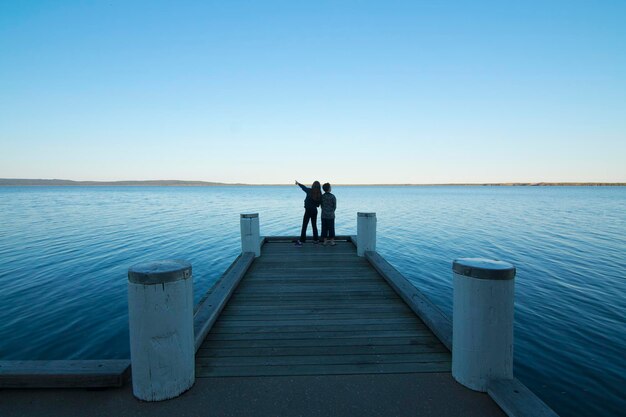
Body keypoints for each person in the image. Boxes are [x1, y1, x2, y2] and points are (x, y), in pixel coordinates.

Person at [294, 180, 322, 246]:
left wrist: (298, 183)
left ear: (313, 185)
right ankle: (316, 240)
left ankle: (302, 241)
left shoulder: (309, 191)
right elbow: (318, 204)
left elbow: (303, 187)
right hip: (314, 211)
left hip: (308, 210)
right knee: (314, 225)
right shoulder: (319, 194)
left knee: (304, 226)